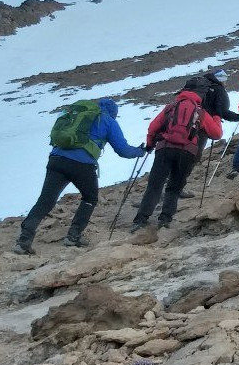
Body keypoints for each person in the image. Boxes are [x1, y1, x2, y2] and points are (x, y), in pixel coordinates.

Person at [14, 98, 146, 254]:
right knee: (90, 198)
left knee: (46, 200)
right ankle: (73, 236)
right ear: (113, 112)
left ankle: (24, 239)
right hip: (81, 165)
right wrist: (140, 151)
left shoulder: (79, 113)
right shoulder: (108, 120)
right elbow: (122, 150)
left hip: (56, 160)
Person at [131, 90, 223, 231]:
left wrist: (150, 144)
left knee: (155, 186)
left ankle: (140, 220)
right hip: (187, 153)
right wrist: (216, 118)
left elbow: (153, 127)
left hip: (165, 149)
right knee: (174, 188)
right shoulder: (200, 112)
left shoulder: (171, 107)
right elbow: (216, 134)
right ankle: (165, 219)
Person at [177, 68, 239, 197]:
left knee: (176, 152)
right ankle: (177, 187)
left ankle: (164, 185)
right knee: (192, 157)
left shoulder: (199, 85)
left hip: (181, 124)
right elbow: (222, 112)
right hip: (202, 128)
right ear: (221, 79)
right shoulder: (218, 90)